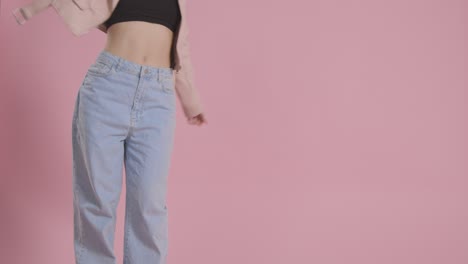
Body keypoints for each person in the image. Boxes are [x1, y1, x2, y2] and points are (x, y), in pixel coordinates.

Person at [12, 0, 207, 263]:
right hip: (108, 87)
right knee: (97, 201)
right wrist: (28, 10)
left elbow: (180, 46)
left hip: (158, 96)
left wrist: (191, 99)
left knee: (149, 204)